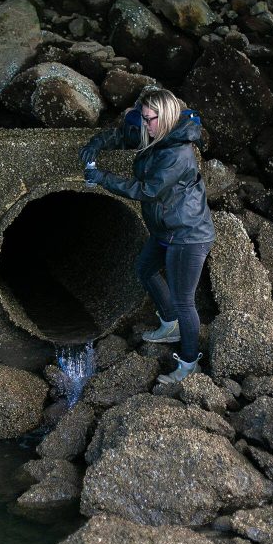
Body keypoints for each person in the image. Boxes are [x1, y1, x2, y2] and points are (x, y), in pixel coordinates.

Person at [80, 87, 216, 384]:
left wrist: (103, 178)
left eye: (149, 119)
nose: (144, 124)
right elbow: (121, 135)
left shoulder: (178, 153)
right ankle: (170, 325)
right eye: (142, 118)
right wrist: (96, 144)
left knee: (185, 301)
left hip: (187, 234)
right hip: (165, 228)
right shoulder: (152, 133)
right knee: (145, 268)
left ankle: (189, 364)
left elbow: (147, 190)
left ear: (165, 118)